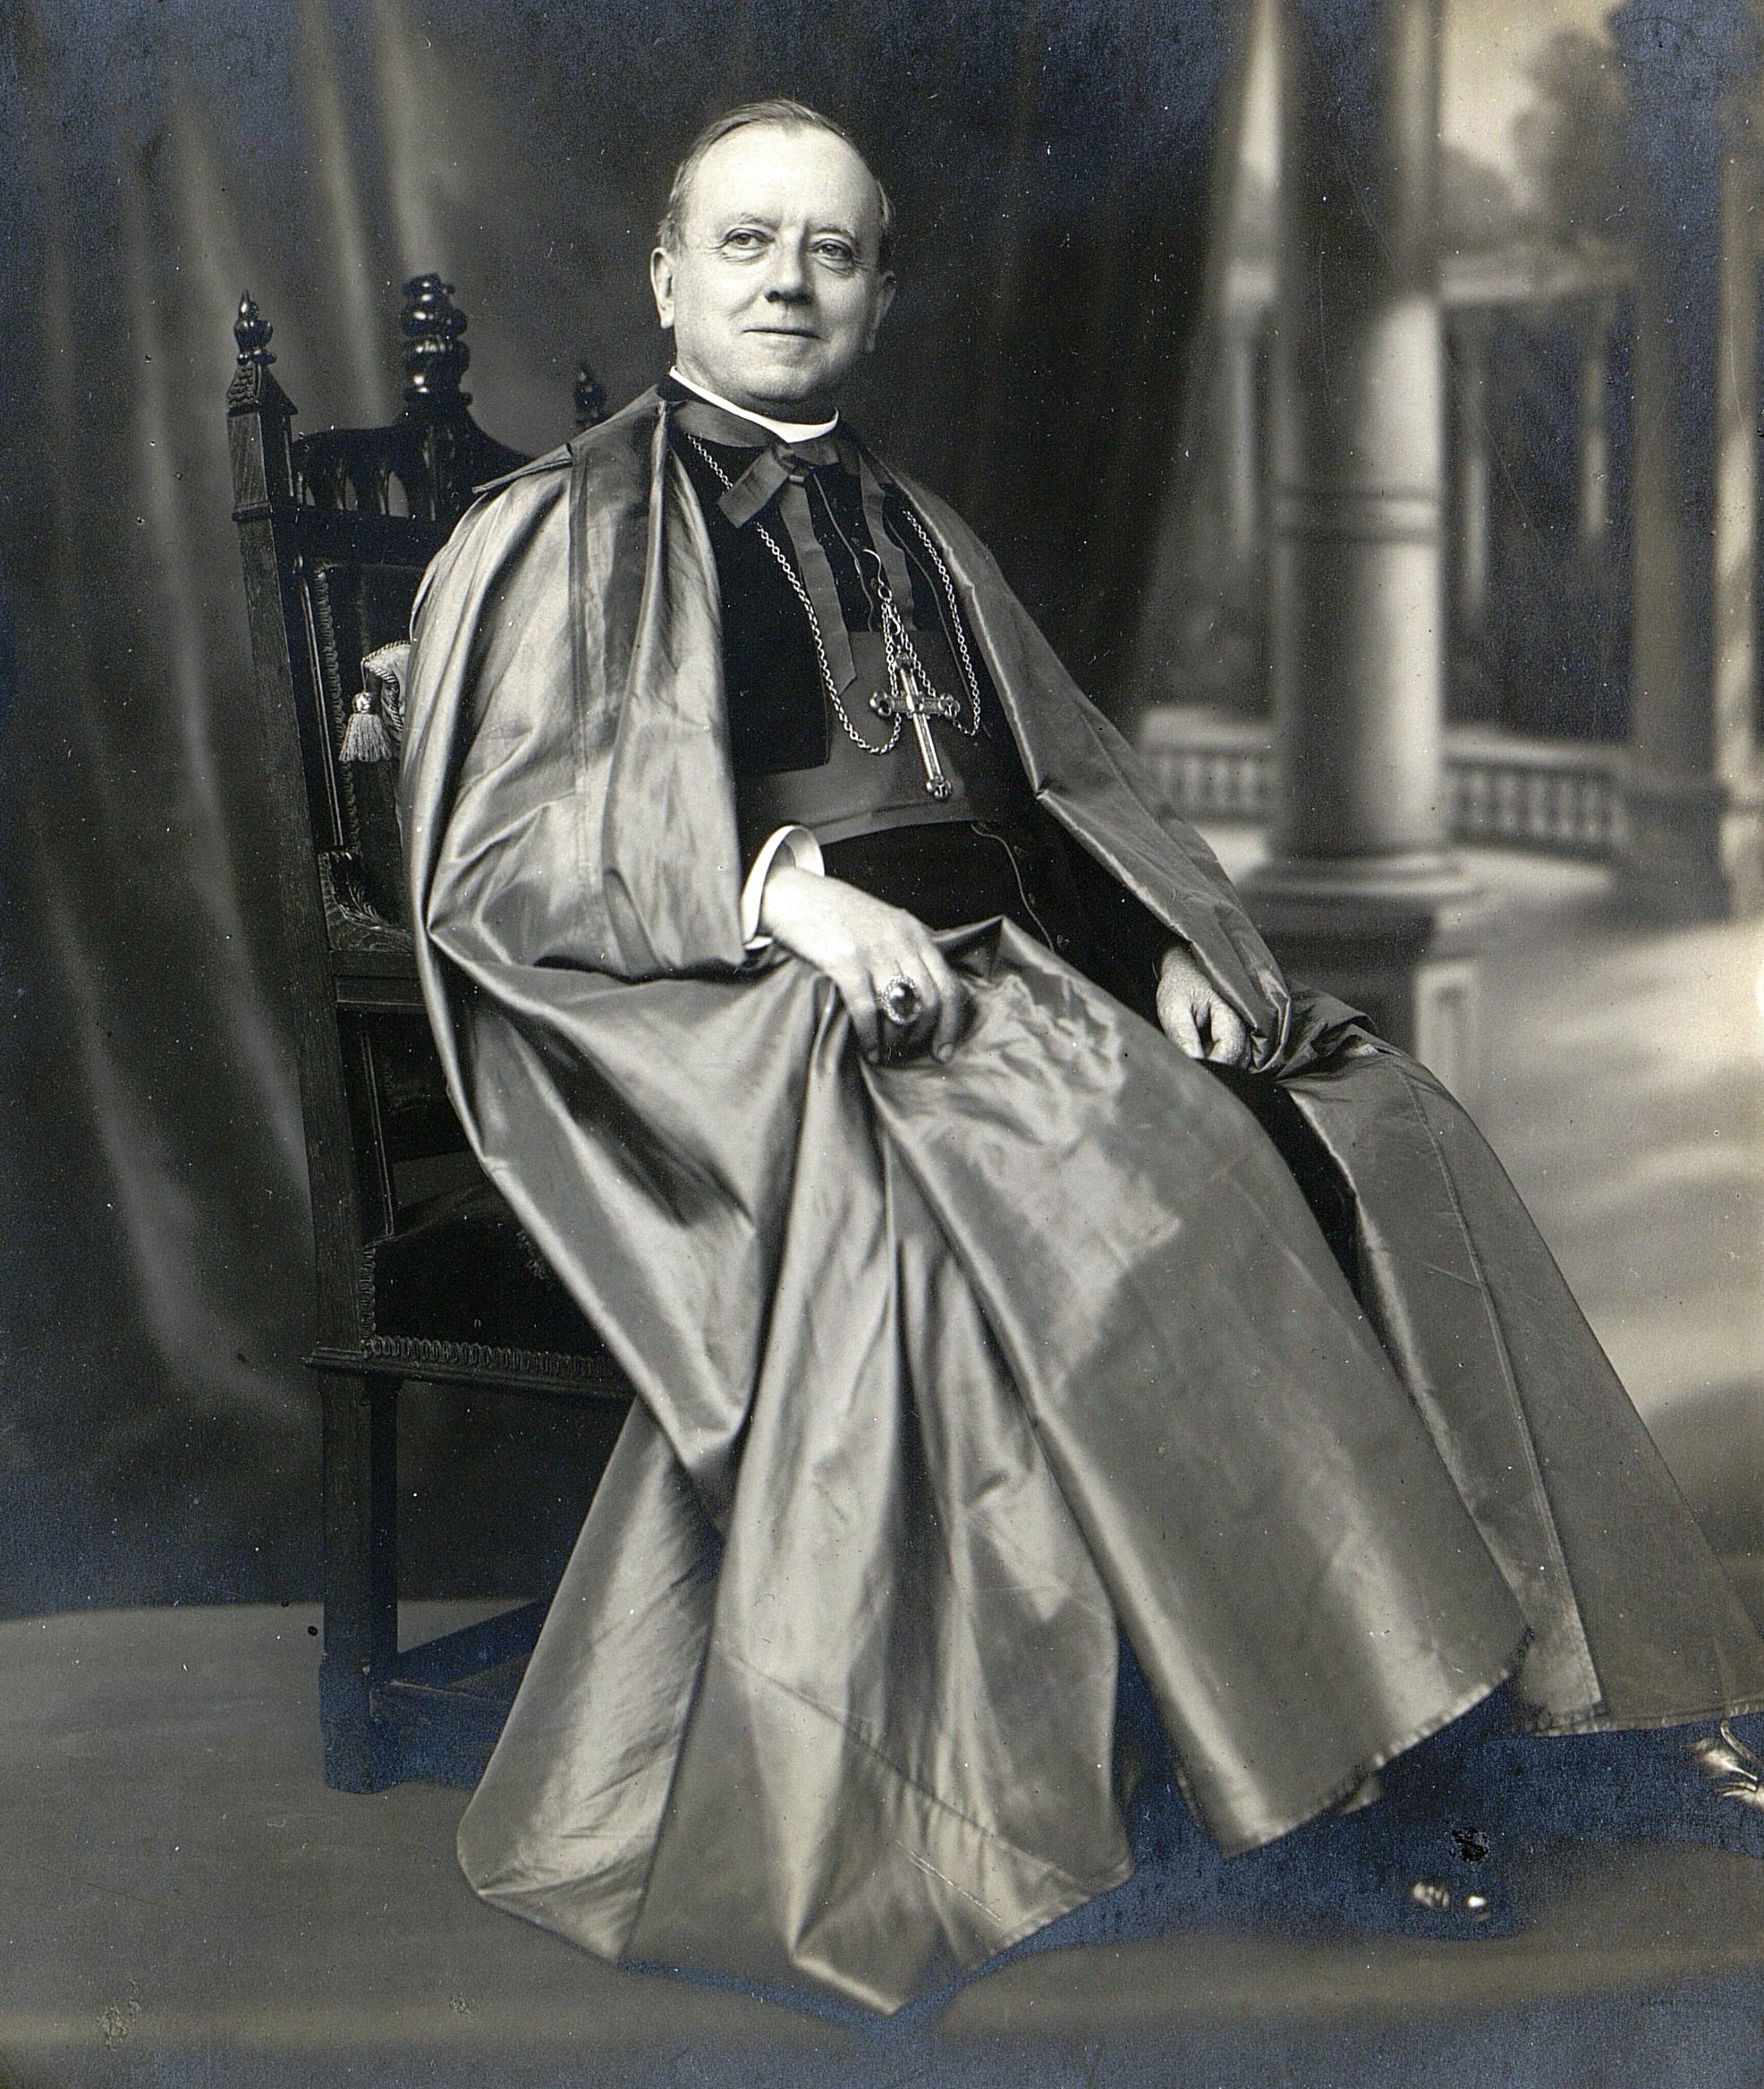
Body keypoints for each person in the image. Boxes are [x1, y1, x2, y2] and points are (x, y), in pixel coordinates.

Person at [397, 100, 1764, 2016]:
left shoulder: (914, 524)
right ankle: (1322, 1787)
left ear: (880, 289)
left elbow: (1050, 799)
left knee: (1373, 1112)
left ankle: (1564, 1693)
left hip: (1017, 968)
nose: (787, 282)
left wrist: (1162, 955)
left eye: (831, 251)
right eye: (744, 244)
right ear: (665, 276)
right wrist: (793, 898)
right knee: (1143, 1182)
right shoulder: (570, 532)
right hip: (751, 1016)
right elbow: (513, 853)